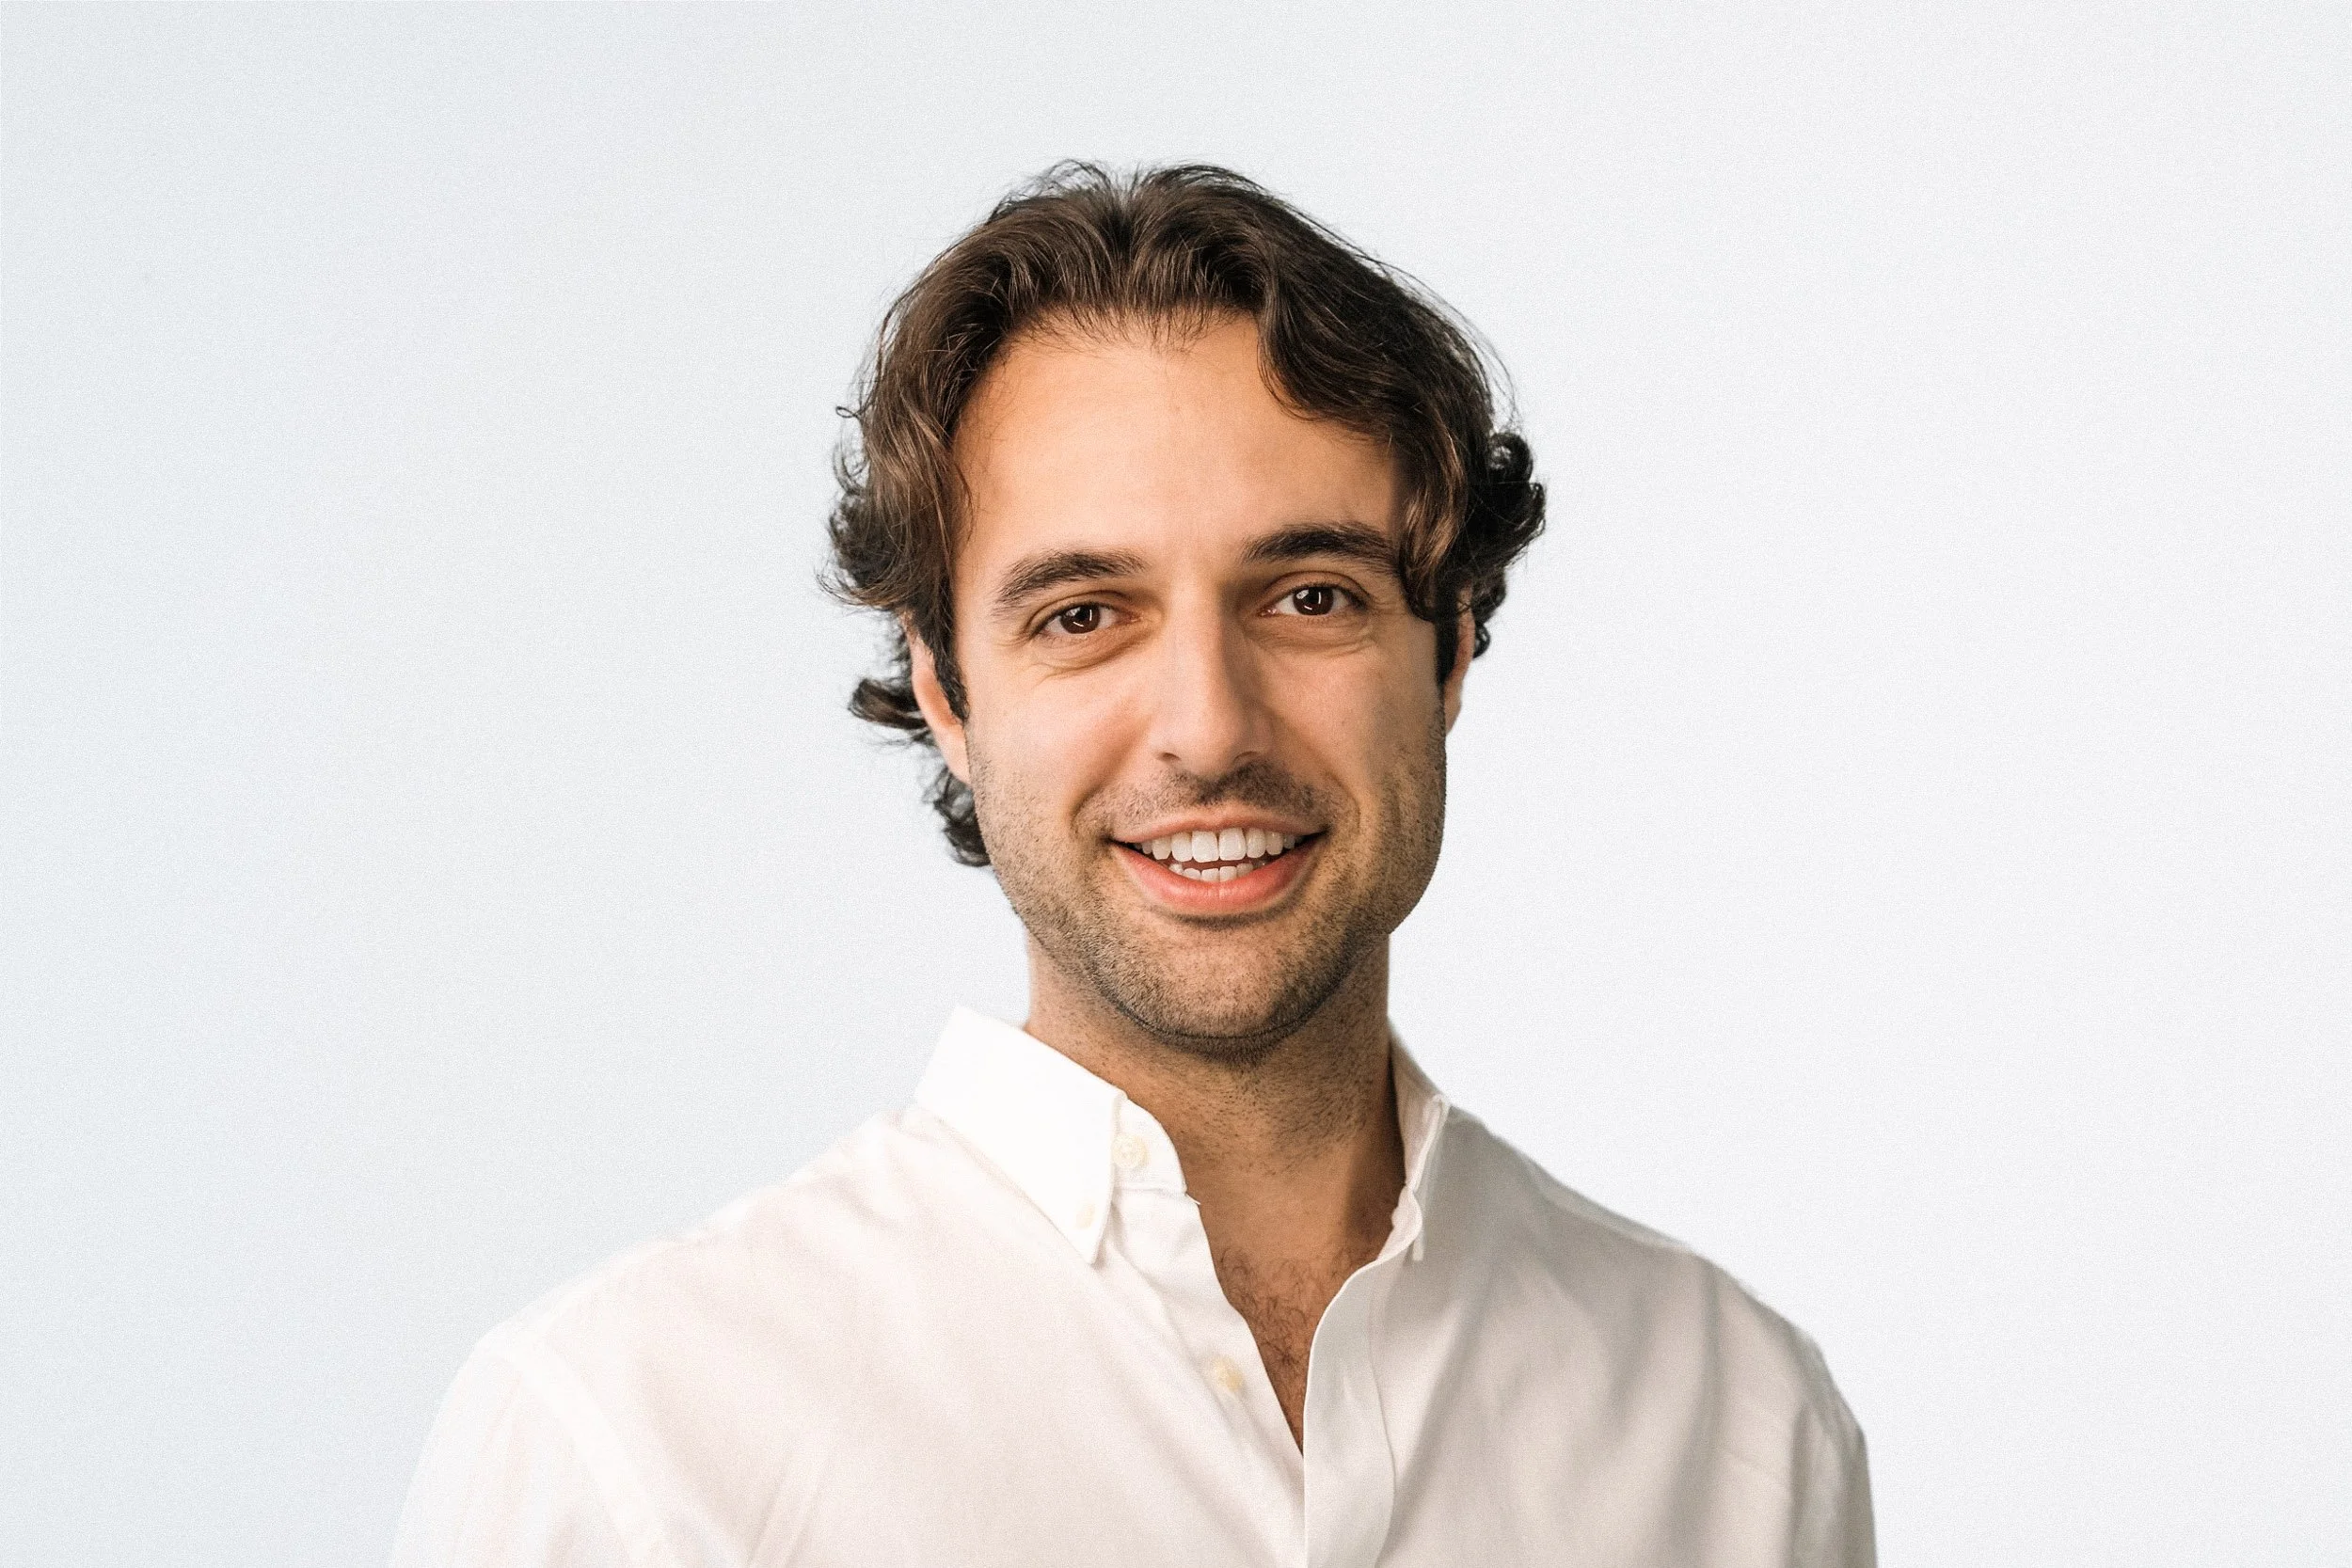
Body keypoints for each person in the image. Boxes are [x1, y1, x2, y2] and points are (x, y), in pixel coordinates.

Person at [391, 163, 1874, 1568]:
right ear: (948, 694)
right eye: (1084, 615)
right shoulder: (635, 1450)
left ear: (1453, 651)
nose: (1208, 726)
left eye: (1309, 595)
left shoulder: (1738, 1423)